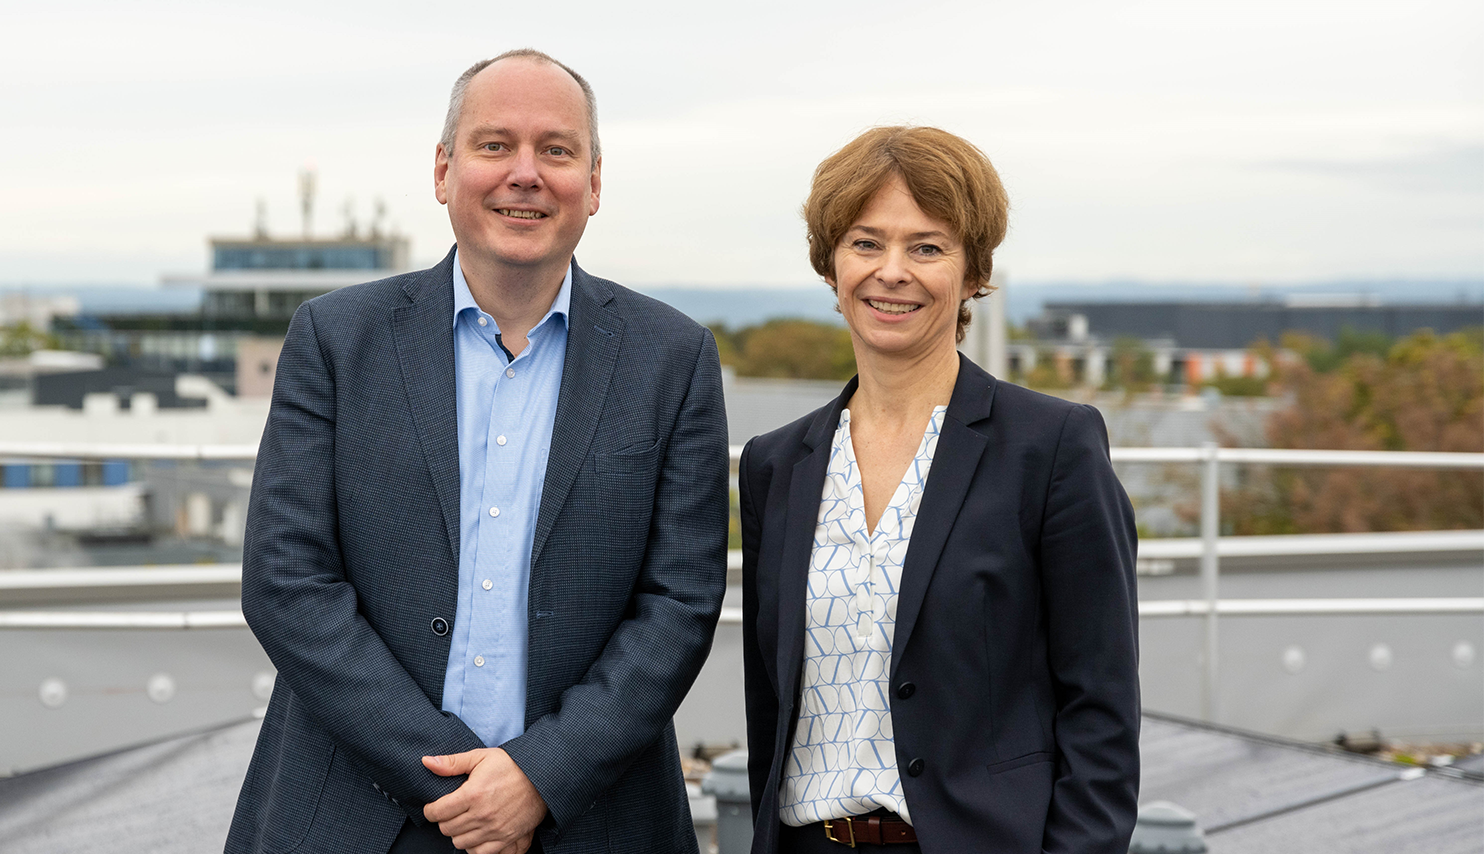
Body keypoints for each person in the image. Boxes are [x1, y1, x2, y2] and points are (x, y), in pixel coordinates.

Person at [227, 49, 729, 854]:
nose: (524, 174)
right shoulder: (336, 340)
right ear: (443, 170)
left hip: (590, 817)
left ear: (594, 183)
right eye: (495, 145)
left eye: (556, 151)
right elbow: (286, 583)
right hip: (359, 815)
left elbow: (678, 604)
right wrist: (454, 784)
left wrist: (540, 775)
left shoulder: (671, 359)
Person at [737, 126, 1141, 853]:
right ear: (830, 266)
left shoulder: (1051, 448)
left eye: (927, 247)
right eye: (866, 243)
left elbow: (1101, 706)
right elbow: (771, 708)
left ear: (974, 271)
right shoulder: (776, 465)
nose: (892, 271)